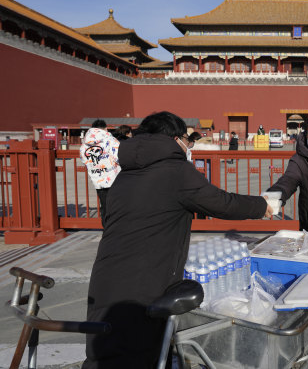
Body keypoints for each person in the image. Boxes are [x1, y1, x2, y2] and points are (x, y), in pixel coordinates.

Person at [83, 111, 272, 368]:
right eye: (187, 139)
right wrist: (261, 206)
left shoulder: (124, 174)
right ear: (175, 138)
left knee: (105, 348)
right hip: (145, 280)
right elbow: (221, 203)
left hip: (105, 278)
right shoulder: (175, 170)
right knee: (140, 351)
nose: (189, 145)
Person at [79, 119, 120, 227]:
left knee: (105, 206)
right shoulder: (111, 140)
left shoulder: (84, 145)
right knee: (118, 206)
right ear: (105, 128)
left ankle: (107, 231)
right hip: (115, 179)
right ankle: (118, 230)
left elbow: (84, 160)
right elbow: (119, 156)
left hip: (98, 180)